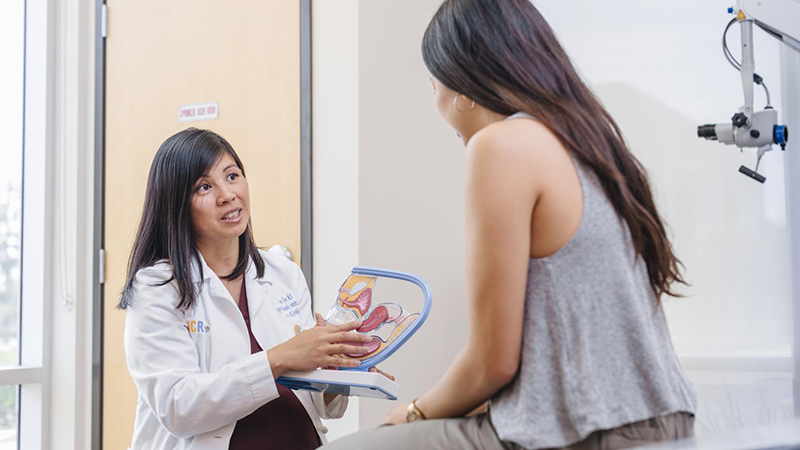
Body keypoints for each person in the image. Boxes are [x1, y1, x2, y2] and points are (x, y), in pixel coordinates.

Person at [322, 0, 697, 449]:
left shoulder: (501, 146)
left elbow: (493, 362)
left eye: (434, 84)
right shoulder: (591, 143)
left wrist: (412, 412)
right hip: (661, 422)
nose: (436, 102)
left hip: (589, 432)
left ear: (461, 84)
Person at [119, 128, 391, 450]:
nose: (227, 194)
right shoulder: (157, 287)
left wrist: (335, 369)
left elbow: (313, 401)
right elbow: (178, 406)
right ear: (177, 204)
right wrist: (280, 358)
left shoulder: (283, 273)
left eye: (232, 176)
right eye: (205, 186)